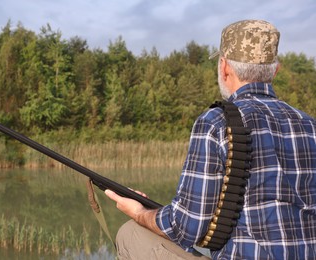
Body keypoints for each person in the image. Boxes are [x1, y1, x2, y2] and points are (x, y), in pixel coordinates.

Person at [105, 19, 316, 259]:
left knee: (131, 233)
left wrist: (140, 213)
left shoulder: (216, 122)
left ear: (224, 67)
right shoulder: (311, 125)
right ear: (275, 70)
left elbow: (186, 227)